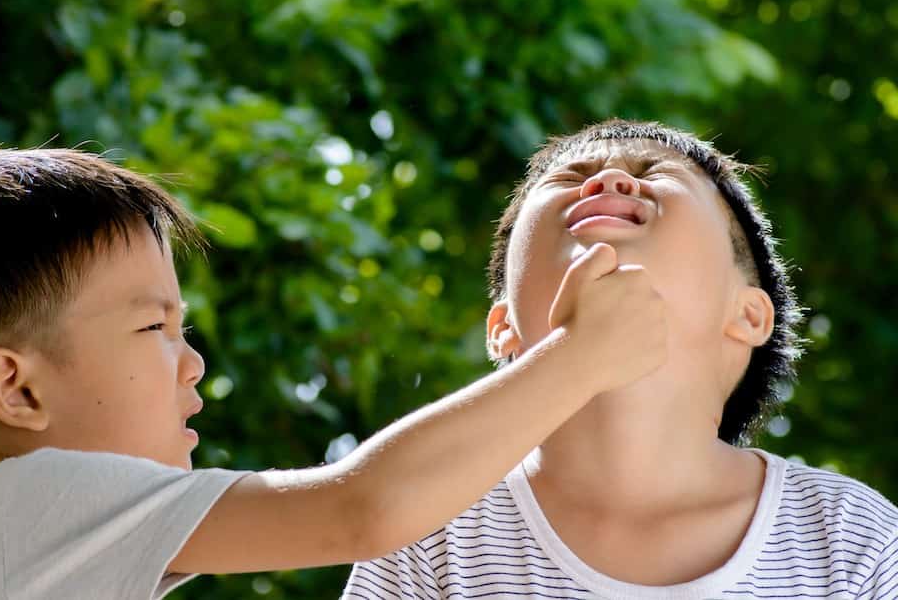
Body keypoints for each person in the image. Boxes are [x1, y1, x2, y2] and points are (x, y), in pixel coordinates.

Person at [0, 137, 666, 600]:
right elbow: (363, 505)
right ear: (17, 386)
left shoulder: (19, 547)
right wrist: (580, 356)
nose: (193, 363)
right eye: (153, 325)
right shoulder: (35, 508)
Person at [344, 119, 898, 599]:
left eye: (654, 173)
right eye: (568, 179)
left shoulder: (850, 536)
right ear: (503, 326)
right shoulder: (430, 531)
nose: (609, 179)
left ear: (749, 316)